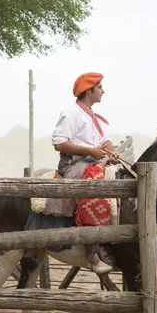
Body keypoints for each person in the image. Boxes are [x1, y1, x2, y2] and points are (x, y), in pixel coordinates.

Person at [49, 72, 119, 274]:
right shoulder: (71, 113)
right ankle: (91, 254)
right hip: (74, 164)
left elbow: (105, 140)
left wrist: (111, 151)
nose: (103, 90)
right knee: (92, 189)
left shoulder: (92, 115)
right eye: (99, 87)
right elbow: (59, 143)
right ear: (89, 90)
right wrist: (89, 150)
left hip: (94, 161)